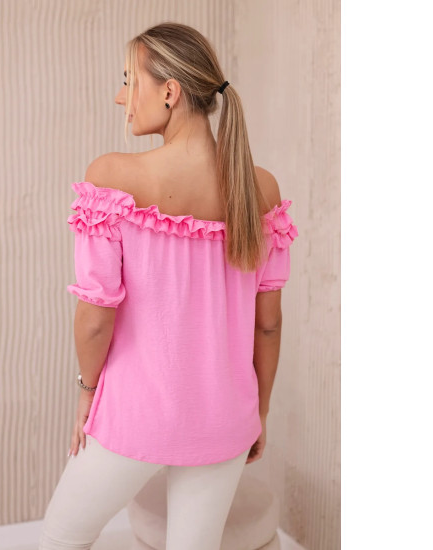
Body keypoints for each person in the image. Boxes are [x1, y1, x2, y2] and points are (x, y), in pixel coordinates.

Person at [39, 21, 298, 550]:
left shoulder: (113, 177)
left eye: (128, 81)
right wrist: (259, 411)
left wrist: (87, 393)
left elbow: (95, 316)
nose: (121, 98)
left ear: (170, 92)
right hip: (224, 418)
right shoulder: (261, 188)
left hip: (134, 414)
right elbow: (268, 325)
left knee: (61, 539)